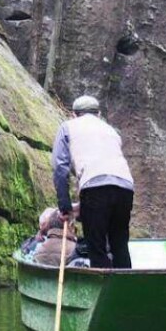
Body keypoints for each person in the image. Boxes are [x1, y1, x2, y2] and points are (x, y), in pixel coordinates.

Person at [51, 95, 135, 269]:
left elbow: (60, 168)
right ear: (99, 114)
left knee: (95, 245)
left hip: (94, 185)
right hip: (125, 186)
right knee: (119, 243)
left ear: (73, 114)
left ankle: (104, 290)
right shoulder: (111, 131)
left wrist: (64, 206)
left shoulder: (68, 127)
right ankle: (126, 289)